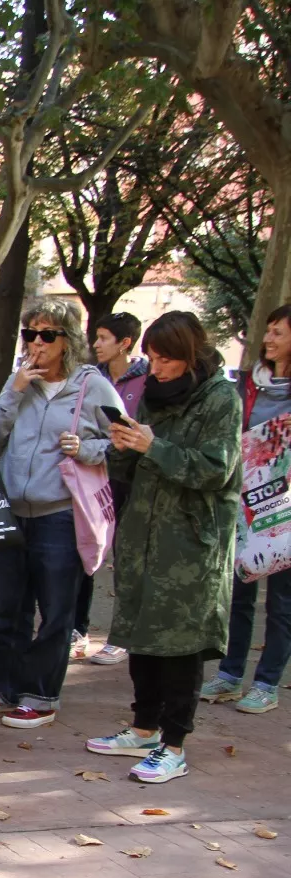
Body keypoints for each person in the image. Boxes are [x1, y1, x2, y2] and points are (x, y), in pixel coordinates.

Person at [87, 311, 240, 783]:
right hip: (144, 536)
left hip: (191, 544)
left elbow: (217, 468)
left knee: (181, 645)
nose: (157, 369)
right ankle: (144, 727)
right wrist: (122, 444)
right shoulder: (152, 394)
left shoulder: (221, 398)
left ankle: (174, 745)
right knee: (142, 636)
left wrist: (154, 447)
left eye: (166, 360)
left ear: (190, 355)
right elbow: (132, 467)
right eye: (151, 358)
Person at [0, 297, 122, 727]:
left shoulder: (92, 386)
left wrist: (88, 448)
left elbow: (125, 439)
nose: (36, 343)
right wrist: (13, 391)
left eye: (47, 334)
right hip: (12, 510)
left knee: (56, 609)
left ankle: (41, 694)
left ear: (67, 340)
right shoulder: (19, 382)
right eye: (30, 333)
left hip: (59, 512)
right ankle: (4, 686)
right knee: (6, 607)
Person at [200, 304, 291, 712]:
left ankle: (267, 682)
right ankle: (229, 674)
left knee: (282, 601)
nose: (268, 339)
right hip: (244, 505)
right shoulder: (246, 386)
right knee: (236, 591)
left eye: (278, 332)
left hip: (286, 511)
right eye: (268, 331)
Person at [74, 311, 147, 664]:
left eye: (103, 338)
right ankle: (78, 628)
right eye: (96, 337)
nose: (96, 345)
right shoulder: (89, 379)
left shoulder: (147, 381)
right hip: (93, 481)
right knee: (84, 551)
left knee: (125, 557)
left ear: (125, 343)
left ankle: (121, 635)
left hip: (130, 482)